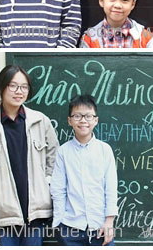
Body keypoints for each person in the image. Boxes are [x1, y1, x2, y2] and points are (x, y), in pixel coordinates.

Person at [0, 65, 59, 246]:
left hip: (35, 212)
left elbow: (54, 156)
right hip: (4, 215)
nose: (19, 92)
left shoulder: (40, 121)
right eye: (13, 86)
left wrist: (45, 181)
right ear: (2, 87)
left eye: (24, 87)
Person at [51, 95, 118, 246]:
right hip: (70, 228)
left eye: (88, 116)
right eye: (77, 116)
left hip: (100, 227)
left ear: (96, 120)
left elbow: (111, 188)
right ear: (69, 120)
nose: (83, 120)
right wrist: (58, 223)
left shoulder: (104, 150)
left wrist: (109, 221)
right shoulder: (63, 152)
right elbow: (58, 189)